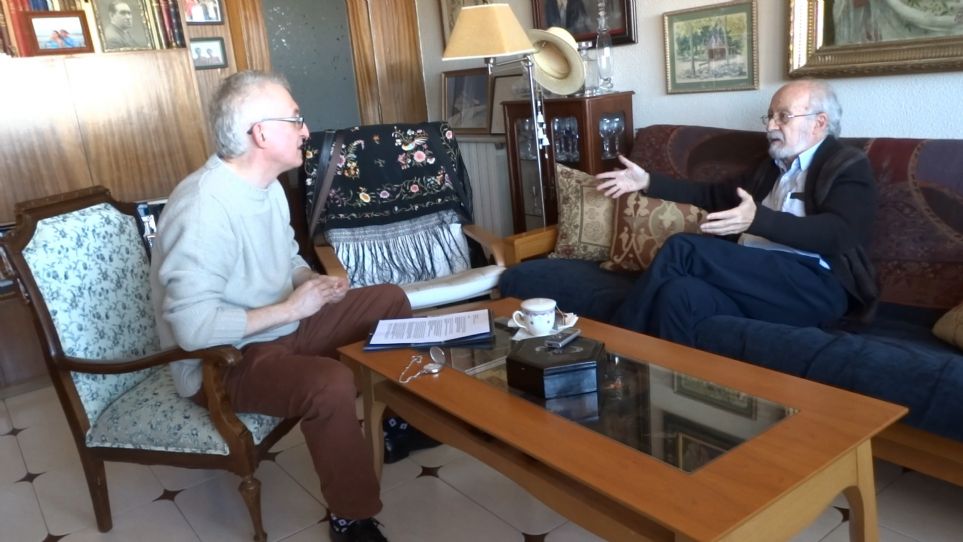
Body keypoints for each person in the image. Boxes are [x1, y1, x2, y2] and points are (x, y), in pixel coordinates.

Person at [149, 70, 409, 542]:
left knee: (389, 299)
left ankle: (398, 425)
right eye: (295, 119)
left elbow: (288, 257)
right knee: (329, 383)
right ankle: (351, 516)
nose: (306, 131)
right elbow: (192, 329)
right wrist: (292, 310)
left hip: (280, 325)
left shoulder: (267, 186)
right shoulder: (203, 208)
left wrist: (311, 282)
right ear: (261, 134)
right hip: (222, 360)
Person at [595, 79, 878, 346]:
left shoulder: (846, 164)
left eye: (783, 116)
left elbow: (842, 232)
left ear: (819, 123)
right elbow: (712, 195)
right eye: (770, 116)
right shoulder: (770, 168)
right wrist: (648, 182)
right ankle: (667, 379)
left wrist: (758, 220)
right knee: (678, 295)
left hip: (811, 287)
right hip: (754, 279)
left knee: (683, 248)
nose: (771, 126)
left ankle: (614, 349)